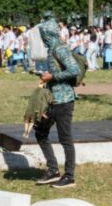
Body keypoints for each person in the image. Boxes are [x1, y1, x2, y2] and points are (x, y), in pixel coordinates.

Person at [34, 18, 81, 189]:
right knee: (40, 132)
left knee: (65, 138)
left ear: (47, 34)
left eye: (42, 34)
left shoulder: (60, 48)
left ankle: (69, 176)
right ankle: (53, 170)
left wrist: (52, 76)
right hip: (51, 99)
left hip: (64, 101)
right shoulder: (52, 48)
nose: (42, 37)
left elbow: (74, 69)